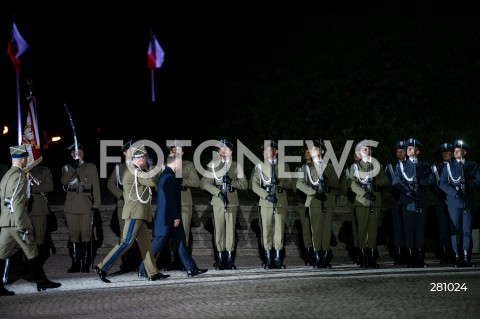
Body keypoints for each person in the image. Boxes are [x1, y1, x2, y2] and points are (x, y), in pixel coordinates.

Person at [95, 145, 169, 282]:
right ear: (138, 158)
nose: (146, 159)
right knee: (125, 242)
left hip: (140, 213)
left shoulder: (138, 171)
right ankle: (102, 267)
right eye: (145, 156)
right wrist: (153, 167)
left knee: (146, 245)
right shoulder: (134, 172)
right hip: (134, 213)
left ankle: (152, 272)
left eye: (146, 156)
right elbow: (152, 182)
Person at [0, 145, 61, 296]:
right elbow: (17, 202)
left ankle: (41, 281)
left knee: (1, 253)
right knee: (31, 250)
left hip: (6, 221)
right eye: (26, 158)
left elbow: (5, 200)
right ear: (21, 160)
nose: (28, 160)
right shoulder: (20, 176)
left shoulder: (7, 175)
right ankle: (41, 282)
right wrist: (21, 223)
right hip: (17, 222)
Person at [138, 154, 208, 277]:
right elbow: (171, 199)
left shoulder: (165, 175)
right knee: (156, 245)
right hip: (168, 218)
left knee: (181, 242)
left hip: (168, 216)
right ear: (175, 163)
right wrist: (176, 217)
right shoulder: (169, 177)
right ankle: (143, 269)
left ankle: (191, 268)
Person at [200, 139, 248, 270]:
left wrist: (232, 182)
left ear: (231, 151)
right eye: (220, 149)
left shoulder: (236, 166)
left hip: (232, 201)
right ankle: (220, 260)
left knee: (231, 232)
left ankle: (229, 260)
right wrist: (218, 192)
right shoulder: (213, 165)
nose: (222, 151)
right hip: (218, 201)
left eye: (225, 148)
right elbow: (204, 183)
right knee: (219, 231)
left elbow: (245, 184)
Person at [392, 138, 436, 268]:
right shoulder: (401, 165)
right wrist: (407, 191)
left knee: (420, 230)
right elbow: (396, 181)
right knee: (409, 230)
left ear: (418, 151)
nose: (409, 149)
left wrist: (421, 183)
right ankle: (410, 258)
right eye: (408, 148)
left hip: (421, 200)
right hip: (407, 201)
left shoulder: (425, 165)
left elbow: (432, 179)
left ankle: (420, 258)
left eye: (412, 148)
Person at [251, 140, 293, 269]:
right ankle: (268, 259)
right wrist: (266, 195)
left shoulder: (284, 165)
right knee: (267, 230)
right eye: (265, 150)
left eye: (269, 149)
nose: (266, 151)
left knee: (279, 231)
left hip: (280, 200)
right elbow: (253, 185)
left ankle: (278, 259)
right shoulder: (258, 166)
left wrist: (280, 183)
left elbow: (290, 184)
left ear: (276, 151)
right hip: (266, 201)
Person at [296, 140, 339, 268]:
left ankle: (325, 257)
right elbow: (299, 183)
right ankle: (317, 257)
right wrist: (313, 193)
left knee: (326, 229)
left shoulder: (329, 166)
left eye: (315, 148)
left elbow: (336, 184)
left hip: (327, 199)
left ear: (322, 151)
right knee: (315, 230)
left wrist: (328, 180)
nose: (312, 150)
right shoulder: (305, 167)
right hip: (314, 199)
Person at [61, 143, 102, 273]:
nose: (76, 153)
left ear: (83, 152)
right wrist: (73, 168)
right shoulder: (67, 167)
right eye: (73, 152)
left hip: (86, 204)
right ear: (71, 154)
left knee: (86, 235)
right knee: (73, 235)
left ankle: (85, 263)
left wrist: (96, 205)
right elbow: (64, 182)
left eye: (79, 151)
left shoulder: (90, 167)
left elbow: (96, 187)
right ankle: (75, 263)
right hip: (71, 205)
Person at [348, 140, 389, 268]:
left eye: (368, 149)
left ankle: (371, 257)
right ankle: (362, 256)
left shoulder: (377, 166)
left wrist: (377, 183)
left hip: (374, 200)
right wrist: (363, 193)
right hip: (362, 201)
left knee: (372, 230)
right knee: (362, 230)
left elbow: (385, 180)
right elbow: (352, 183)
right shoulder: (355, 167)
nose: (366, 150)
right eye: (363, 149)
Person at [439, 139, 480, 267]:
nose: (457, 152)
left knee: (467, 230)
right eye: (455, 150)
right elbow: (443, 184)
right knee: (455, 230)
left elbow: (479, 181)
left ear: (465, 152)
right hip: (454, 201)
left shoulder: (472, 165)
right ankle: (457, 257)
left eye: (459, 150)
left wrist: (470, 184)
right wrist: (454, 193)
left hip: (467, 200)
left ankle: (466, 257)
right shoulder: (449, 166)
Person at [163, 142, 201, 271]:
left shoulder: (188, 165)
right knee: (171, 233)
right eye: (173, 150)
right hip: (169, 202)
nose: (176, 152)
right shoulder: (165, 165)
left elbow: (196, 182)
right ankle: (175, 260)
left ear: (183, 152)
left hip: (184, 201)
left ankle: (184, 262)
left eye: (178, 150)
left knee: (183, 233)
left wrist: (180, 181)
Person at [106, 140, 142, 273]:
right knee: (125, 235)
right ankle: (126, 263)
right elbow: (110, 184)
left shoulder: (139, 165)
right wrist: (121, 194)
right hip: (123, 204)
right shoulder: (119, 167)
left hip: (138, 204)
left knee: (138, 234)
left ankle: (138, 263)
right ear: (125, 153)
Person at [26, 164, 55, 265]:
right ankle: (27, 262)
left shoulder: (44, 170)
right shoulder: (22, 170)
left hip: (39, 208)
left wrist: (29, 189)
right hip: (24, 209)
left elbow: (49, 186)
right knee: (26, 238)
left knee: (38, 238)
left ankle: (37, 263)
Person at [431, 142, 454, 265]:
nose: (445, 154)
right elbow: (432, 182)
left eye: (448, 152)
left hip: (454, 201)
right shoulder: (436, 167)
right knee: (443, 229)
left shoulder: (457, 166)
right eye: (443, 152)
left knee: (455, 228)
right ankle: (444, 254)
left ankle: (455, 253)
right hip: (441, 201)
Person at [385, 140, 407, 265]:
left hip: (409, 201)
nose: (400, 153)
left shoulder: (411, 165)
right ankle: (399, 255)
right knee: (398, 229)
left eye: (402, 151)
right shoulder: (390, 166)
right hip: (396, 200)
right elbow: (388, 182)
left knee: (408, 228)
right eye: (398, 151)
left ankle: (409, 253)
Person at [339, 151, 361, 265]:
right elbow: (343, 186)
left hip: (366, 202)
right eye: (355, 154)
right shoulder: (348, 169)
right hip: (354, 202)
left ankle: (368, 252)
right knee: (356, 229)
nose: (355, 156)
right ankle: (359, 253)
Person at [294, 148, 314, 266]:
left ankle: (318, 253)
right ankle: (309, 256)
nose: (307, 154)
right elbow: (295, 185)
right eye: (305, 152)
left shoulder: (318, 167)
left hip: (315, 201)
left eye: (309, 152)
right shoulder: (299, 168)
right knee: (306, 230)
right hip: (303, 201)